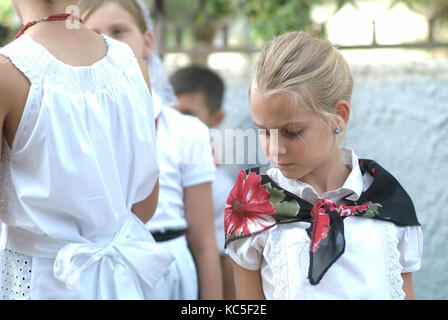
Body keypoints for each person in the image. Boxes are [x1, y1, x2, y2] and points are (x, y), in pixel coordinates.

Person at [224, 31, 423, 300]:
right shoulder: (254, 202)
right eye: (264, 131)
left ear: (338, 117)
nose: (274, 149)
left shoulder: (387, 201)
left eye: (292, 132)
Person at [0, 0, 174, 300]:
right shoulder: (132, 63)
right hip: (124, 280)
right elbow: (144, 207)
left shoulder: (8, 73)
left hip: (41, 284)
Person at [79, 0, 223, 300]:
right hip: (99, 276)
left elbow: (205, 243)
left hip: (170, 277)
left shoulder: (187, 131)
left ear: (147, 43)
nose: (107, 43)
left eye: (119, 31)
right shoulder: (74, 128)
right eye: (93, 35)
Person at [170, 65, 236, 299]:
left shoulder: (221, 190)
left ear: (216, 118)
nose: (176, 123)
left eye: (187, 114)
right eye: (171, 112)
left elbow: (227, 263)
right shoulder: (157, 173)